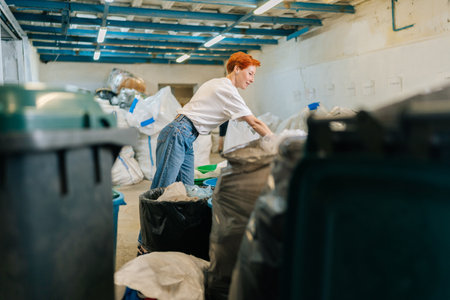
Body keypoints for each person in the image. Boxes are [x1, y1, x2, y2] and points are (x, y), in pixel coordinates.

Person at [150, 51, 272, 190]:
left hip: (185, 135)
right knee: (162, 189)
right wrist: (277, 141)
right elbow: (254, 122)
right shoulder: (227, 90)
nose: (252, 79)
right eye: (250, 73)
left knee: (188, 188)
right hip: (178, 133)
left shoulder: (218, 83)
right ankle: (154, 212)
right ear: (237, 69)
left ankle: (181, 212)